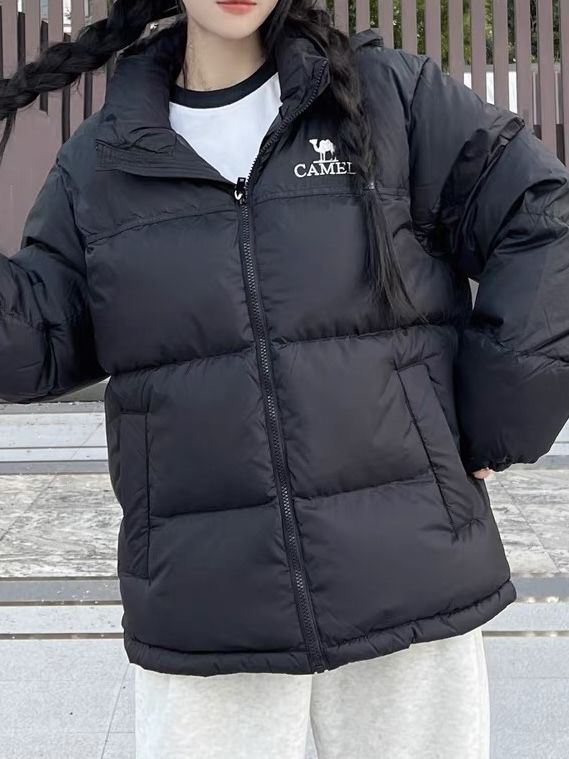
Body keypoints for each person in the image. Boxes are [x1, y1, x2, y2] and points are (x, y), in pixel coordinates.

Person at [1, 0, 569, 757]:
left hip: (407, 587)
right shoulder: (100, 163)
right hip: (208, 610)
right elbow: (35, 338)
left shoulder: (387, 97)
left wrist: (497, 414)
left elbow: (543, 216)